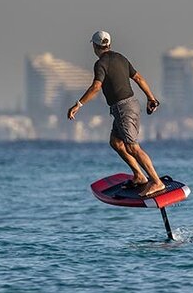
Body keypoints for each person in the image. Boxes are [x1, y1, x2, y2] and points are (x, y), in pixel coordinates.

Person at [67, 30, 166, 197]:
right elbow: (139, 78)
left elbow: (96, 87)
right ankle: (139, 176)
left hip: (124, 108)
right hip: (128, 106)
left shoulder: (100, 64)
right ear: (108, 44)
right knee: (116, 142)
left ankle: (156, 182)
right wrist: (151, 98)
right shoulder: (121, 57)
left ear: (95, 46)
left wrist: (78, 104)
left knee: (132, 147)